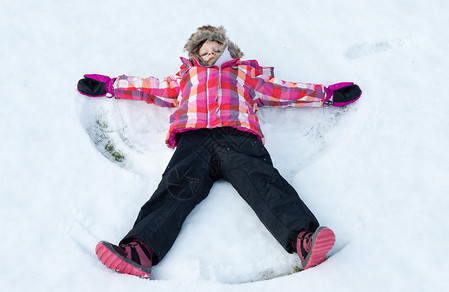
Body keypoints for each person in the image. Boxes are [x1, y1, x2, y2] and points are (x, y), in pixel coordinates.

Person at [78, 25, 362, 279]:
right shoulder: (186, 77)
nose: (212, 53)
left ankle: (304, 239)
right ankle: (139, 251)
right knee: (174, 188)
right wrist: (110, 86)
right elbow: (150, 87)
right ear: (196, 54)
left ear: (228, 52)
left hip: (237, 137)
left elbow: (283, 91)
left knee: (263, 181)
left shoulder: (244, 75)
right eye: (206, 50)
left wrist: (326, 94)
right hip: (194, 141)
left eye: (218, 48)